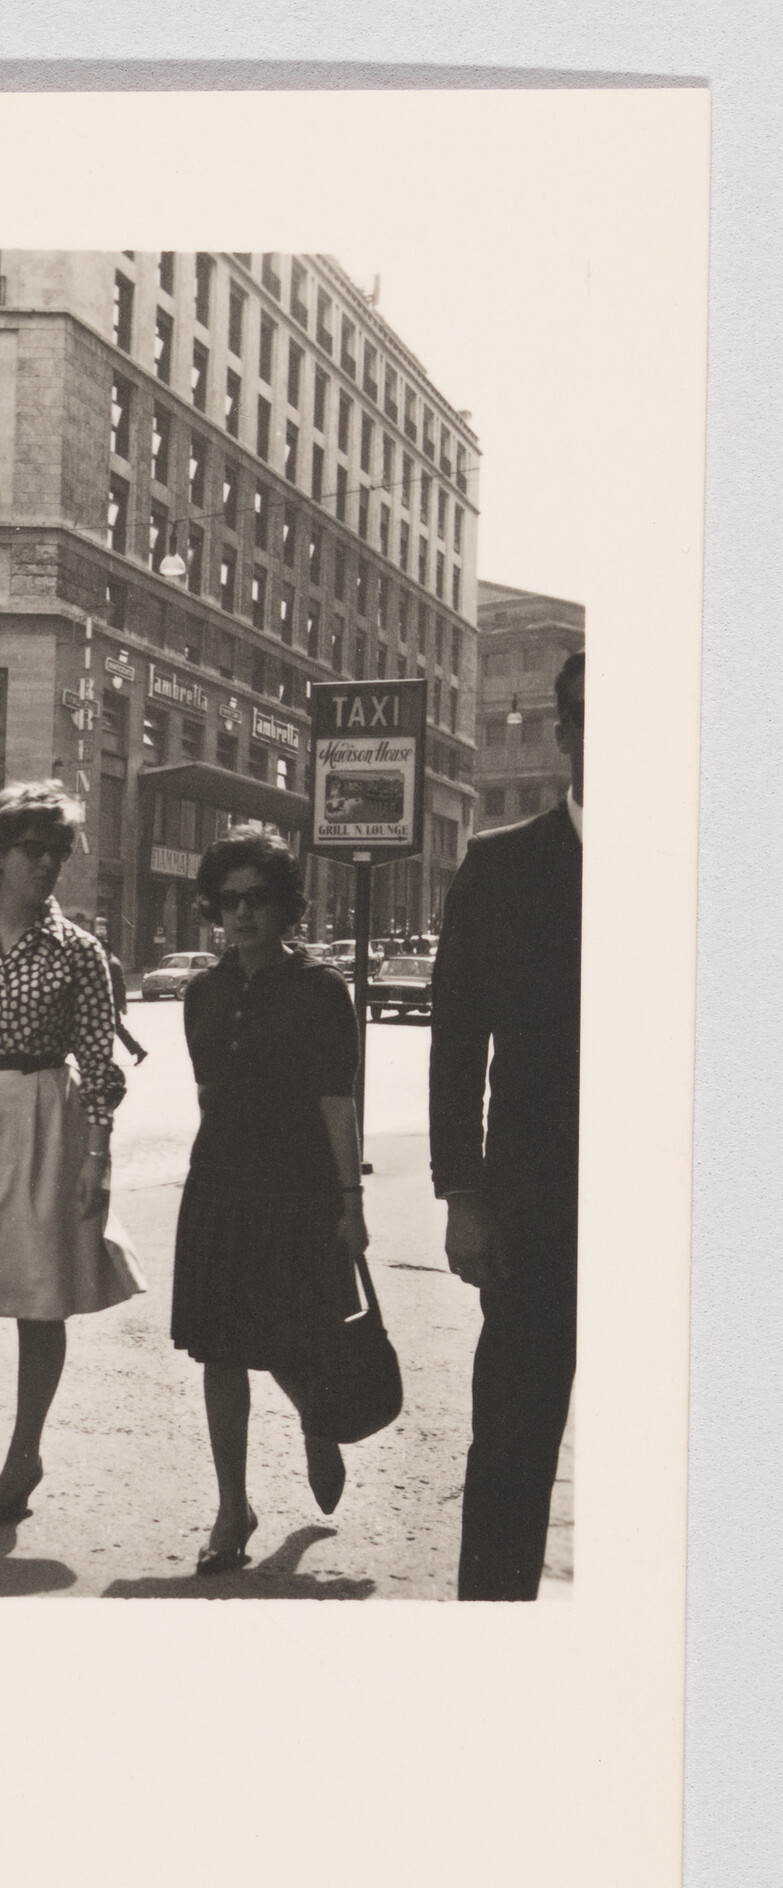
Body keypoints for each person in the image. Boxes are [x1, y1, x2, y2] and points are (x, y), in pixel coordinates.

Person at [0, 781, 145, 1525]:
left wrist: (97, 1156)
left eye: (58, 850)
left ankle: (24, 1452)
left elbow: (100, 1063)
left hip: (48, 1114)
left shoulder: (79, 953)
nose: (47, 863)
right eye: (32, 850)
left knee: (38, 1298)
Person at [170, 830, 368, 1573]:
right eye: (228, 900)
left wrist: (350, 1199)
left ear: (284, 905)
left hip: (298, 1189)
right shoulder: (203, 992)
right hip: (220, 1183)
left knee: (286, 1337)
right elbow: (208, 1095)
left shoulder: (320, 992)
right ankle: (232, 1508)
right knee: (219, 1351)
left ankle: (317, 1424)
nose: (242, 913)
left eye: (257, 898)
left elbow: (335, 1100)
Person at [430, 650, 584, 1600]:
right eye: (590, 714)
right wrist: (460, 1195)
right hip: (536, 1217)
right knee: (513, 1454)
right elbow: (456, 1049)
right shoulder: (497, 867)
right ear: (563, 732)